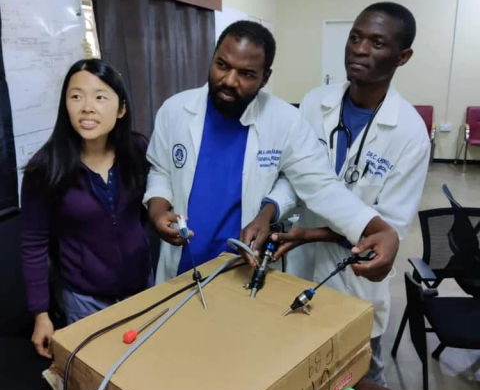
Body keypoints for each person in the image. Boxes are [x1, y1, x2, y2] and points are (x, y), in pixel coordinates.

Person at [144, 20, 399, 283]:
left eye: (246, 74)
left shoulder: (286, 121)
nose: (229, 80)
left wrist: (379, 228)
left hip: (241, 264)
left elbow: (321, 185)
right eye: (222, 65)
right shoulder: (174, 110)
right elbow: (161, 171)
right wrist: (158, 211)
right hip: (184, 262)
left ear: (265, 77)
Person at [266, 2, 430, 385]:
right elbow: (295, 176)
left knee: (362, 383)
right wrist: (270, 207)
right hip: (300, 270)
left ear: (402, 56)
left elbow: (385, 229)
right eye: (355, 37)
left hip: (356, 283)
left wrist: (310, 233)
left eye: (376, 43)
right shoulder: (313, 103)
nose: (359, 49)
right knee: (299, 375)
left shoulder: (409, 133)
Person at [22, 59, 152, 358]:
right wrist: (40, 313)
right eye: (76, 96)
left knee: (145, 369)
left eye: (100, 96)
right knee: (97, 378)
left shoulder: (138, 150)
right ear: (65, 106)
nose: (87, 107)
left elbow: (145, 211)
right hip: (84, 298)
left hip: (142, 288)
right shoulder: (45, 168)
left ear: (121, 109)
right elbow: (33, 245)